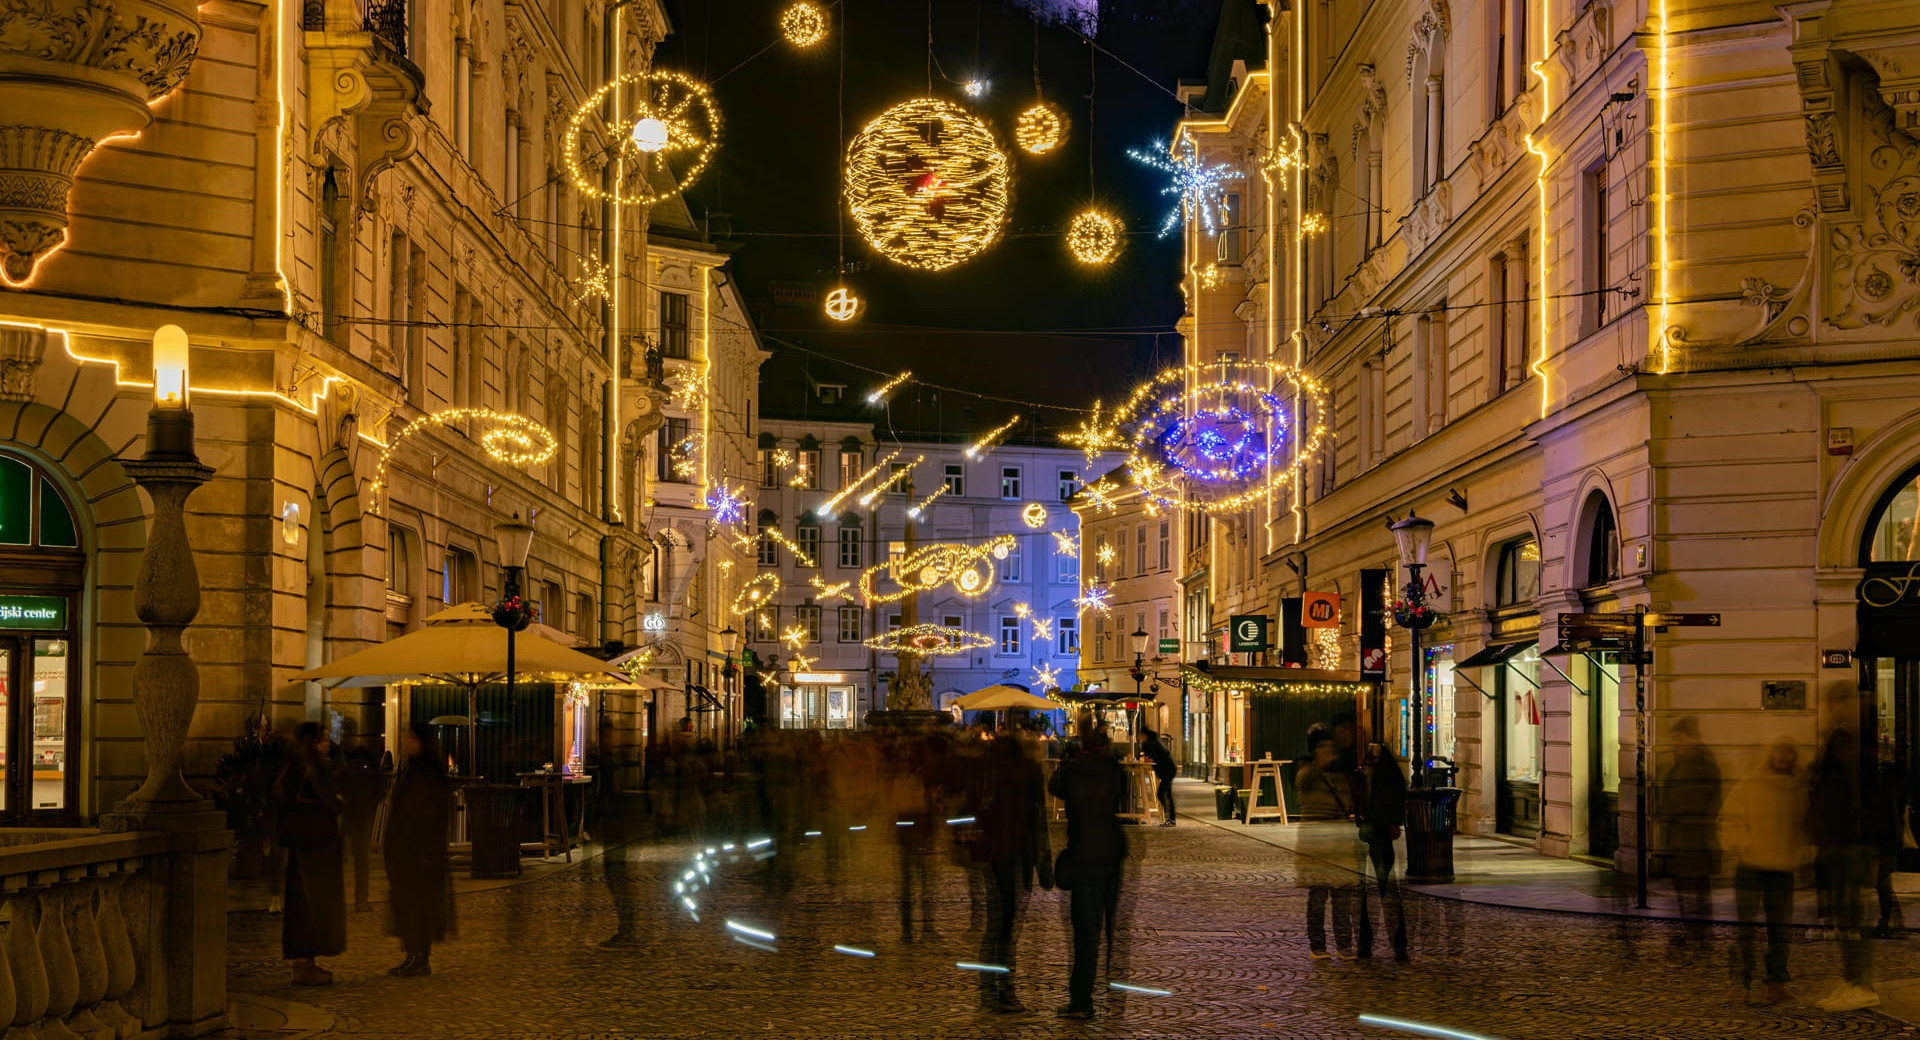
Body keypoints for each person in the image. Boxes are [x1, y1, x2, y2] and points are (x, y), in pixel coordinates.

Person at [1721, 735, 1810, 1005]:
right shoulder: (1751, 785)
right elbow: (1730, 820)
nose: (1784, 758)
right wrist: (1744, 845)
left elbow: (1807, 826)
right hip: (1750, 866)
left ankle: (1776, 983)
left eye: (1789, 753)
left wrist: (1804, 852)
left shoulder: (1801, 789)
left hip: (1782, 868)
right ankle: (1740, 983)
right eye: (1780, 752)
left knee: (1780, 931)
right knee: (1745, 929)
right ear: (1771, 755)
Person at [1048, 724, 1128, 1020]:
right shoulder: (1112, 769)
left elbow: (1054, 786)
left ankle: (1082, 1000)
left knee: (1086, 932)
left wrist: (1069, 761)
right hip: (1111, 851)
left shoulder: (1075, 771)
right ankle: (1111, 992)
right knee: (1108, 927)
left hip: (1085, 855)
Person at [971, 732, 1052, 1012]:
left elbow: (978, 810)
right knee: (1008, 927)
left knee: (997, 925)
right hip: (1016, 854)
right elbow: (1039, 820)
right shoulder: (1029, 771)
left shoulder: (987, 769)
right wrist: (1044, 863)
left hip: (994, 854)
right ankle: (1004, 992)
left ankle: (989, 992)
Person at [1810, 711, 1881, 1011]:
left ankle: (1860, 984)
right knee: (1845, 922)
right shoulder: (1841, 755)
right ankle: (1852, 980)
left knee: (1853, 922)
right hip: (1838, 846)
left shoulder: (1852, 758)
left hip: (1849, 846)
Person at [277, 722, 346, 986]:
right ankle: (303, 965)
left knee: (309, 905)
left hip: (308, 846)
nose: (326, 743)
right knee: (306, 905)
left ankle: (307, 962)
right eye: (322, 740)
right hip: (311, 847)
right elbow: (332, 801)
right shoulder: (307, 769)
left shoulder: (300, 767)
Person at [384, 722, 454, 976]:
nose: (406, 741)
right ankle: (413, 955)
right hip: (408, 852)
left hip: (419, 854)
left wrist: (423, 849)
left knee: (418, 906)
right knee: (408, 905)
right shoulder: (414, 769)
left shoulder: (428, 772)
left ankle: (420, 957)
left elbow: (427, 813)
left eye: (412, 738)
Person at [1659, 716, 1722, 949]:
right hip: (1681, 838)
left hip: (1694, 837)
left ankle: (1701, 935)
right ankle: (1691, 932)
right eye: (1673, 738)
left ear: (1691, 739)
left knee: (1696, 888)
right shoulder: (1681, 763)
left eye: (1678, 738)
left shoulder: (1701, 764)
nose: (1675, 743)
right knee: (1684, 889)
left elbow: (1705, 802)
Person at [1354, 738, 1409, 961]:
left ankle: (1395, 944)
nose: (1371, 761)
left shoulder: (1383, 775)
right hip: (1372, 833)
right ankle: (1371, 945)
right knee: (1374, 894)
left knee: (1385, 892)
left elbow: (1390, 800)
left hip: (1380, 836)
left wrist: (1392, 822)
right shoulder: (1373, 774)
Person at [1141, 729, 1177, 826]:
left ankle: (1170, 817)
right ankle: (1170, 818)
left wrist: (1149, 758)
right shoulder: (1155, 741)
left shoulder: (1152, 744)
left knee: (1162, 793)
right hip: (1169, 768)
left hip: (1168, 769)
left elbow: (1156, 756)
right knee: (1166, 794)